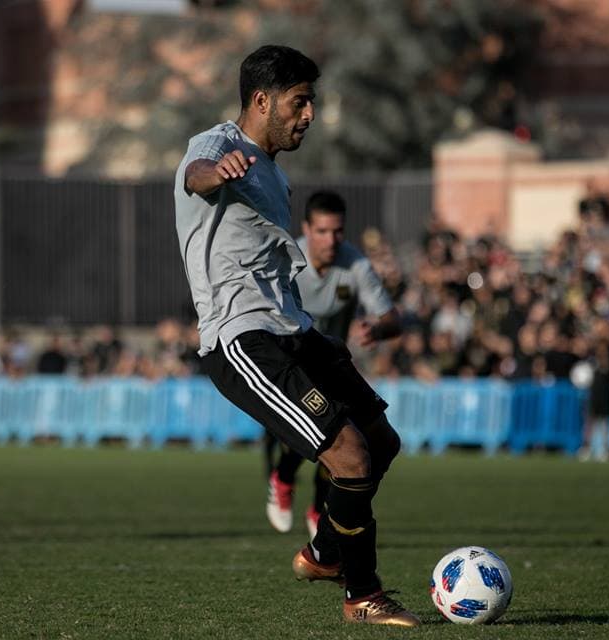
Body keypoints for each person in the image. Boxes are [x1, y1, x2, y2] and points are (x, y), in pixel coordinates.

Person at [173, 45, 418, 626]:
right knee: (349, 455)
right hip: (242, 338)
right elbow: (194, 174)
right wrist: (217, 172)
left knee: (381, 442)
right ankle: (362, 595)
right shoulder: (217, 145)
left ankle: (326, 553)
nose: (310, 114)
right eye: (299, 102)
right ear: (261, 100)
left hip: (293, 329)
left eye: (312, 102)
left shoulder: (276, 173)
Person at [265, 190, 401, 539]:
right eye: (322, 231)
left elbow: (393, 319)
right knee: (312, 432)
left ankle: (318, 509)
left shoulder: (355, 265)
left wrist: (377, 329)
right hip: (293, 364)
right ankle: (283, 478)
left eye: (338, 231)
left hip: (333, 364)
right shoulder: (286, 260)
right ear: (306, 229)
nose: (331, 240)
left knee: (350, 440)